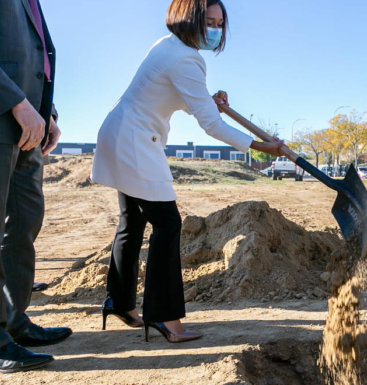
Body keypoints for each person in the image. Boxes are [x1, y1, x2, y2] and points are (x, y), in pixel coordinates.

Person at [91, 0, 285, 343]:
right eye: (208, 21)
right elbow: (210, 124)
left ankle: (120, 303)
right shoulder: (187, 58)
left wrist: (209, 98)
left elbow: (174, 93)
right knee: (167, 223)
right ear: (187, 18)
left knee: (132, 222)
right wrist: (259, 146)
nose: (214, 29)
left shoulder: (168, 47)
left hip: (118, 131)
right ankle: (165, 317)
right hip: (134, 141)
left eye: (219, 23)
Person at [0, 0, 68, 373]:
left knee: (23, 222)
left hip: (29, 124)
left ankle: (11, 321)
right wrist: (16, 103)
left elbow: (35, 51)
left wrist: (47, 111)